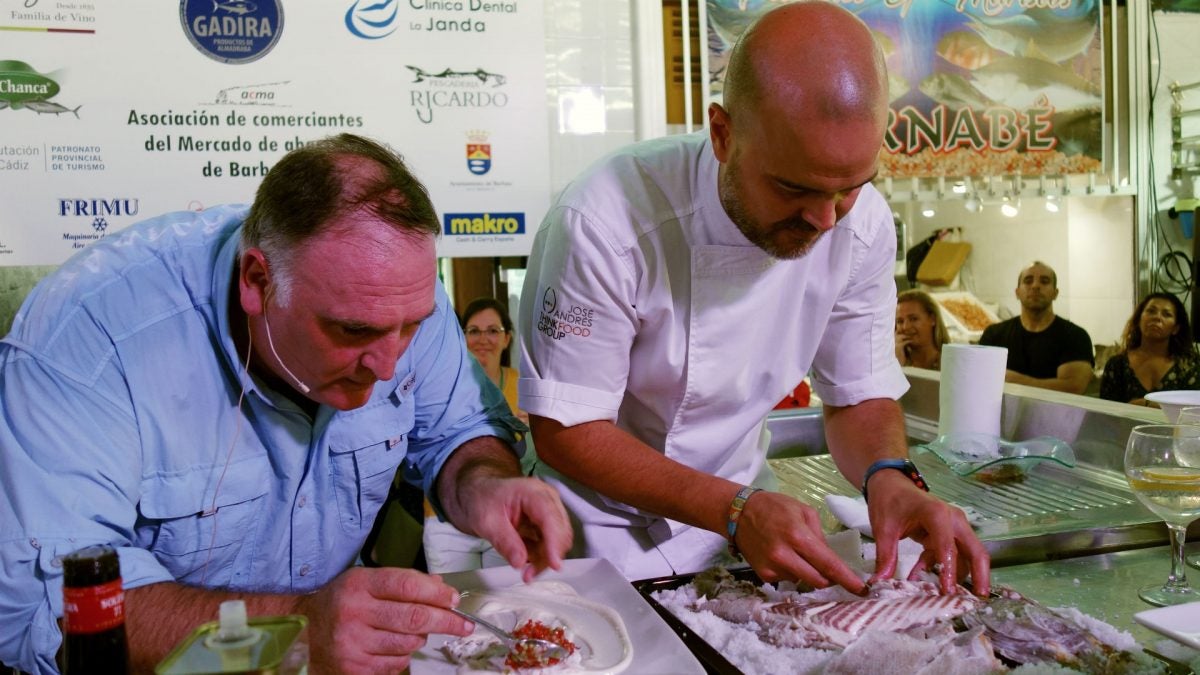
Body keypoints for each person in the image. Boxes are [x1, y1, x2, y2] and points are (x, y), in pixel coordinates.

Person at [0, 134, 572, 674]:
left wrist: (481, 483)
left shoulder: (393, 300)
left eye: (412, 330)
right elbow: (52, 609)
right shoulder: (93, 340)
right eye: (352, 331)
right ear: (257, 281)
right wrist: (295, 629)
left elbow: (460, 430)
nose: (390, 365)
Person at [518, 1, 988, 596]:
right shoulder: (605, 219)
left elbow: (859, 390)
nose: (824, 219)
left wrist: (888, 476)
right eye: (794, 188)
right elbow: (568, 427)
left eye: (851, 188)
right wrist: (736, 508)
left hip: (739, 528)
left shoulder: (863, 224)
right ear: (722, 134)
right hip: (594, 534)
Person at [423, 297, 536, 573]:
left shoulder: (526, 387)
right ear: (462, 337)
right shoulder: (438, 387)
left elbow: (538, 458)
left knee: (506, 603)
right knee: (456, 605)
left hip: (506, 515)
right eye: (474, 330)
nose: (483, 339)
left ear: (507, 338)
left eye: (492, 330)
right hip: (446, 521)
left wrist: (532, 430)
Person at [979, 261, 1094, 394]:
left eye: (1044, 281)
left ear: (1055, 293)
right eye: (1028, 281)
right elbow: (979, 380)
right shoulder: (994, 335)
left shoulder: (1075, 336)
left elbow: (1072, 388)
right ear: (1017, 292)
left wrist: (1014, 380)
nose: (1035, 286)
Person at [1100, 292, 1200, 405]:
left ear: (1175, 329)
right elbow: (1106, 413)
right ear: (1139, 320)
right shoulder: (1117, 365)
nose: (1157, 317)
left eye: (1167, 314)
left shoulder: (1190, 366)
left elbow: (1194, 411)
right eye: (1151, 311)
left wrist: (1147, 405)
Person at [895, 289, 949, 370]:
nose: (905, 327)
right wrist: (896, 365)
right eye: (900, 321)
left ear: (932, 319)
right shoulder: (889, 360)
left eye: (913, 319)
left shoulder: (952, 361)